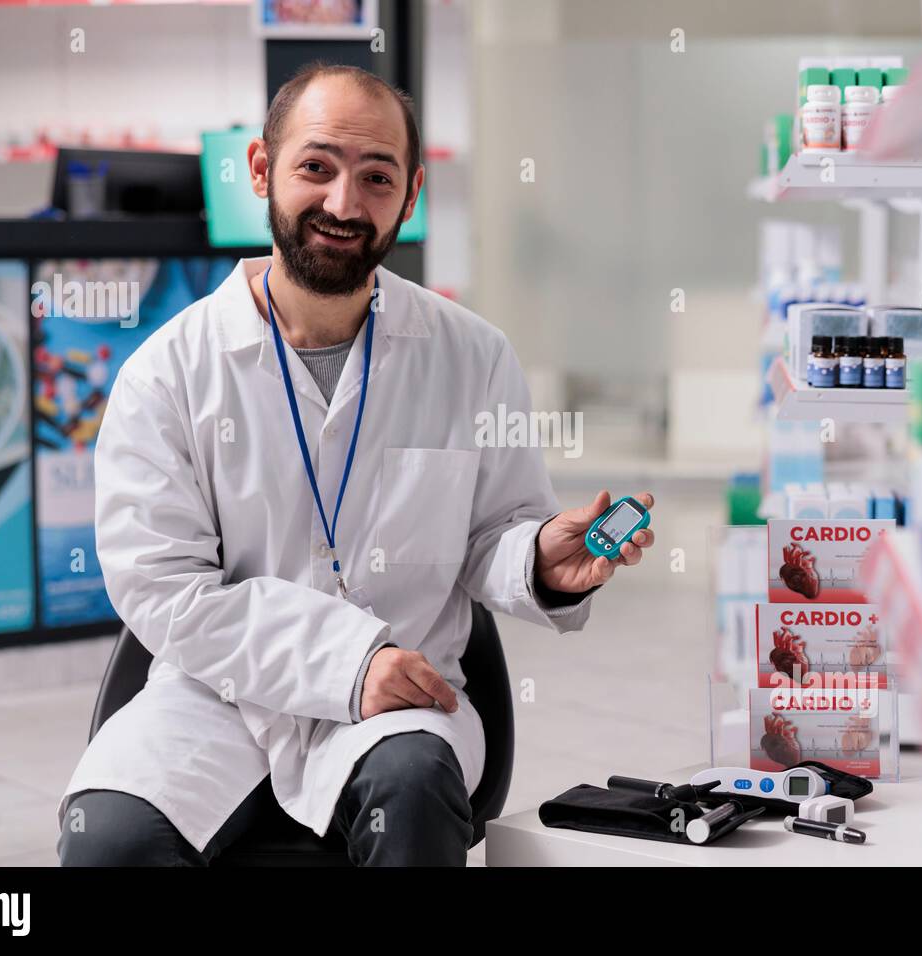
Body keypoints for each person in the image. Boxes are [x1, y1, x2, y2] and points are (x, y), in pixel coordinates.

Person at [57, 63, 655, 867]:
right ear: (263, 171)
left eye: (376, 177)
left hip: (405, 700)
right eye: (316, 167)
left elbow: (495, 534)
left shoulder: (471, 355)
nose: (343, 204)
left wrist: (541, 559)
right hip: (216, 696)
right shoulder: (168, 372)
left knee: (411, 791)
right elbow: (161, 586)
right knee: (110, 844)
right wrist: (346, 662)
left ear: (409, 199)